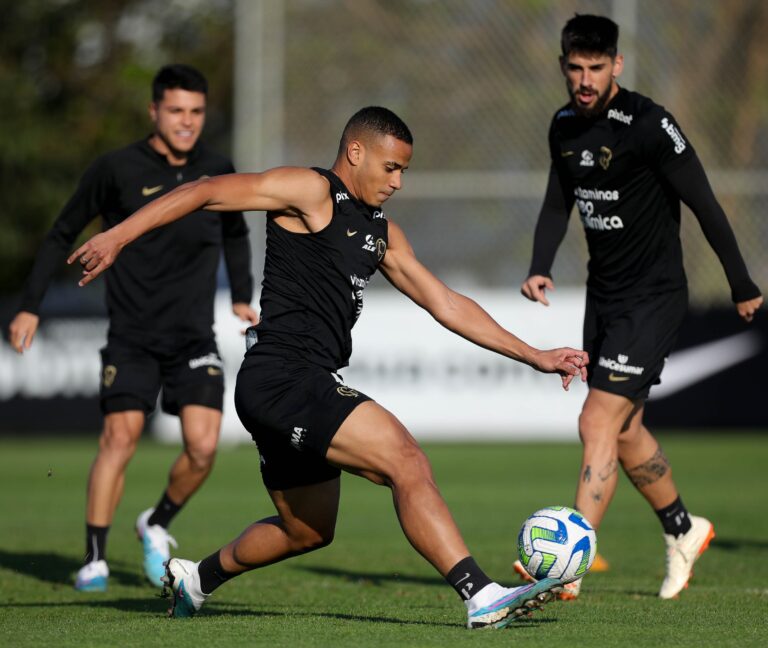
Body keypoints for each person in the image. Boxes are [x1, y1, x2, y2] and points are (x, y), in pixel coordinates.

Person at [68, 106, 589, 629]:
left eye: (404, 171)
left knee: (308, 531)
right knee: (406, 460)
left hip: (295, 384)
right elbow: (205, 191)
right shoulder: (311, 191)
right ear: (356, 152)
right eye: (391, 167)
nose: (398, 182)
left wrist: (535, 355)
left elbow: (446, 303)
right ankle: (481, 595)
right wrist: (118, 236)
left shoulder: (382, 232)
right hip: (283, 375)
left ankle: (196, 579)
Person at [516, 14, 763, 600]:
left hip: (654, 297)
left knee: (596, 420)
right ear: (563, 66)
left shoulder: (650, 124)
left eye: (596, 68)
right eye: (575, 67)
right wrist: (540, 264)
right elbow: (558, 201)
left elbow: (706, 203)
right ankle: (683, 528)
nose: (585, 79)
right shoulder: (563, 126)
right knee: (625, 432)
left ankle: (567, 565)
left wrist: (741, 283)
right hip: (603, 298)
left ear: (617, 66)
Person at [8, 64, 259, 592]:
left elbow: (236, 233)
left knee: (203, 449)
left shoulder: (216, 169)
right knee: (118, 438)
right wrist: (30, 305)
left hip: (194, 337)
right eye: (176, 110)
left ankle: (156, 522)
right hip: (132, 337)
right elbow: (62, 233)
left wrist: (242, 294)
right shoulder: (116, 169)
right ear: (154, 111)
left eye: (196, 111)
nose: (187, 121)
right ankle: (95, 559)